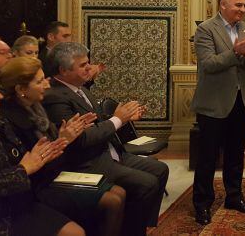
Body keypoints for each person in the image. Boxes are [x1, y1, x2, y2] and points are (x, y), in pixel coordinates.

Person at [42, 42, 168, 236]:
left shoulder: (82, 89)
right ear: (63, 70)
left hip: (109, 151)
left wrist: (122, 118)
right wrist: (118, 119)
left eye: (88, 63)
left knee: (160, 169)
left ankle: (136, 225)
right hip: (87, 161)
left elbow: (101, 124)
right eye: (83, 65)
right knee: (147, 183)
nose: (89, 68)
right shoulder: (56, 97)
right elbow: (81, 139)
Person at [0, 57, 126, 236]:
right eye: (40, 81)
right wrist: (63, 140)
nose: (47, 84)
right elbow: (36, 167)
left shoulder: (36, 108)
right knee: (112, 200)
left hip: (54, 174)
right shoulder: (13, 121)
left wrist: (65, 139)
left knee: (119, 193)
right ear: (21, 90)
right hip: (38, 187)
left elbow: (56, 155)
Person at [191, 0, 245, 225]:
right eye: (238, 5)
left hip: (241, 102)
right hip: (213, 104)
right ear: (223, 5)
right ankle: (202, 204)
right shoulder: (205, 29)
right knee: (208, 158)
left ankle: (234, 196)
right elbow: (209, 64)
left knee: (235, 155)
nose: (243, 9)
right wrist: (236, 53)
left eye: (244, 5)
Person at [0, 65, 83, 236]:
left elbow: (26, 162)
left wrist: (50, 151)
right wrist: (24, 169)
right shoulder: (12, 118)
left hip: (17, 201)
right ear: (21, 89)